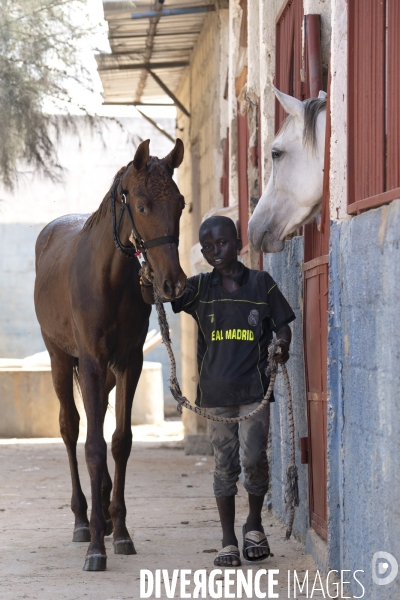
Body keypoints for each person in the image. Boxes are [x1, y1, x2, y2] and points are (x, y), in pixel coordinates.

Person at [141, 216, 295, 567]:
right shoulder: (199, 289)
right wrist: (147, 275)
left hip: (255, 391)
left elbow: (283, 326)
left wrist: (281, 346)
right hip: (216, 395)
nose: (215, 251)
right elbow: (159, 297)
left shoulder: (261, 284)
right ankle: (227, 539)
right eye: (207, 246)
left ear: (238, 243)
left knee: (254, 459)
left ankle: (253, 524)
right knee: (225, 466)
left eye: (222, 243)